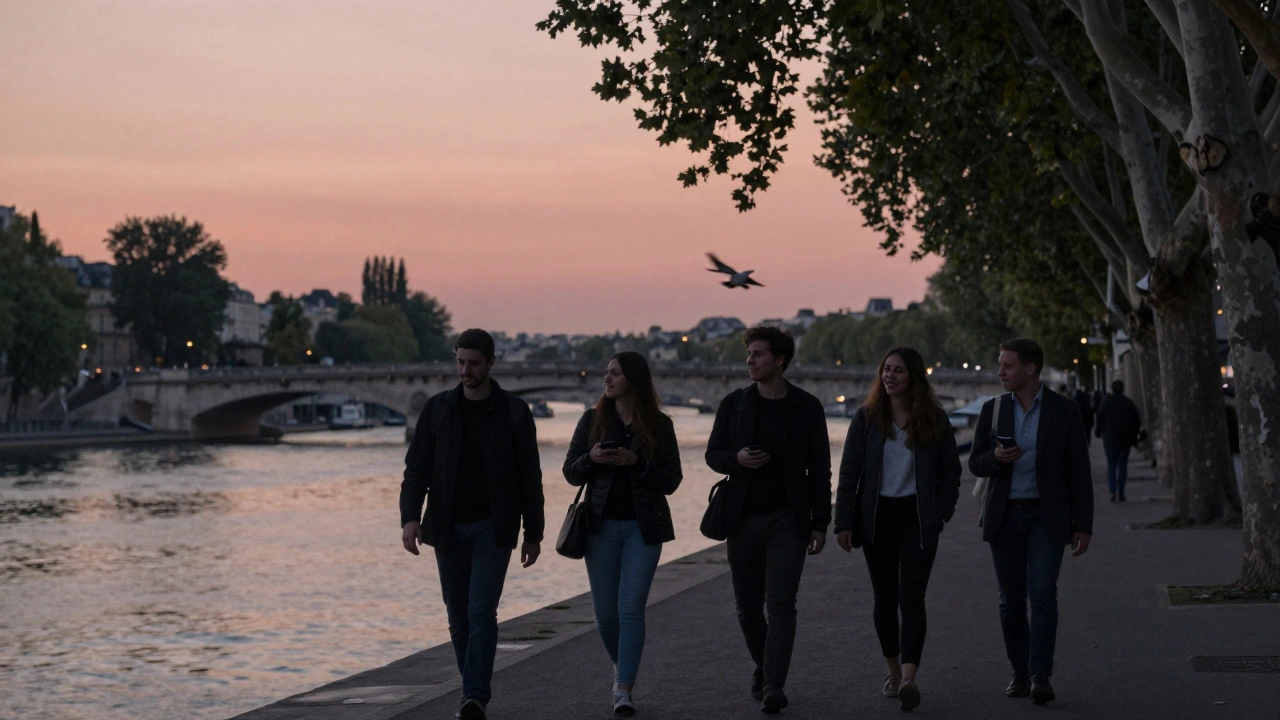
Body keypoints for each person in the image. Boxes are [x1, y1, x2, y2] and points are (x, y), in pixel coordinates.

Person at [399, 329, 545, 720]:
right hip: (445, 527)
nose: (465, 370)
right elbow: (416, 471)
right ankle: (472, 691)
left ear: (491, 363)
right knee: (457, 615)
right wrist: (410, 518)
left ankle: (474, 696)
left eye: (473, 363)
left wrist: (534, 534)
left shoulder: (514, 412)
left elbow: (530, 476)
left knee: (481, 611)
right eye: (460, 362)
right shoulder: (438, 409)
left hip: (493, 528)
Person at [705, 326, 831, 714]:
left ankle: (775, 684)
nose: (750, 361)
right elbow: (713, 455)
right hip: (741, 519)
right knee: (746, 606)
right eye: (749, 355)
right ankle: (764, 665)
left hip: (787, 521)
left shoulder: (807, 407)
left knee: (781, 604)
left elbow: (820, 469)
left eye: (758, 355)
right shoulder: (735, 404)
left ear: (779, 360)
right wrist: (737, 460)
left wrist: (819, 523)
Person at [835, 347, 961, 711]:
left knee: (913, 599)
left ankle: (909, 679)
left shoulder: (933, 419)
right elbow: (849, 474)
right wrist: (843, 522)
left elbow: (951, 471)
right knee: (885, 600)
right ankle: (892, 671)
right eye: (885, 370)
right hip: (877, 518)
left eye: (898, 371)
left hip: (918, 518)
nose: (889, 376)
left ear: (914, 377)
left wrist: (941, 513)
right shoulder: (867, 418)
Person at [969, 337, 1093, 706]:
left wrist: (1082, 525)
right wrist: (995, 458)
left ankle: (1041, 675)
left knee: (1042, 595)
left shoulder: (1064, 411)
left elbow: (1079, 473)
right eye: (1000, 364)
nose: (999, 372)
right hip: (1004, 516)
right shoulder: (993, 410)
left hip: (1046, 516)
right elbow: (975, 463)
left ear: (1031, 368)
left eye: (1007, 365)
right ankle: (1019, 672)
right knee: (1010, 601)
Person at [563, 352, 683, 717]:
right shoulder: (592, 421)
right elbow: (571, 472)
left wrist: (638, 464)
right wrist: (592, 460)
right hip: (598, 529)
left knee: (630, 610)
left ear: (632, 379)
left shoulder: (659, 426)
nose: (607, 379)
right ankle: (622, 667)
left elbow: (672, 480)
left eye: (614, 373)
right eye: (606, 373)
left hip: (643, 530)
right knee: (605, 617)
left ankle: (623, 689)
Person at [1094, 380, 1142, 502]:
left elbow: (1099, 418)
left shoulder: (1106, 403)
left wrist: (1098, 432)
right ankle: (1121, 491)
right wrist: (1134, 435)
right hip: (1125, 440)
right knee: (1122, 466)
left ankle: (1112, 490)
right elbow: (1136, 421)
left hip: (1109, 439)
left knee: (1111, 465)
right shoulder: (1128, 403)